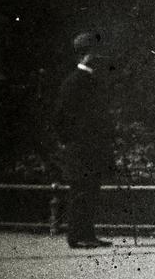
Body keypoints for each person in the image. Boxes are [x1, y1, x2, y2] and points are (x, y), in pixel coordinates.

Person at [50, 31, 118, 249]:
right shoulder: (74, 82)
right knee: (80, 191)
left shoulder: (91, 81)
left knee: (90, 190)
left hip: (92, 146)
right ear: (87, 54)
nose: (99, 57)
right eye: (95, 52)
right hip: (80, 148)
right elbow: (60, 117)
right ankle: (75, 236)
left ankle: (87, 234)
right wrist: (71, 141)